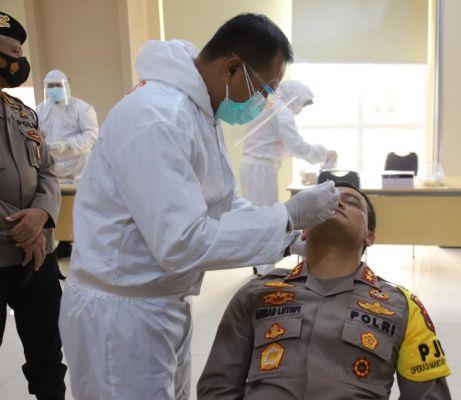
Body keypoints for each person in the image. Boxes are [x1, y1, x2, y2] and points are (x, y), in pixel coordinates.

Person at [59, 13, 340, 400]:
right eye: (265, 90)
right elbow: (181, 242)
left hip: (159, 302)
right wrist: (287, 215)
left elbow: (222, 207)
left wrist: (288, 238)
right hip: (120, 316)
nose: (264, 102)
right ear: (232, 68)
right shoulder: (157, 118)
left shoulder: (199, 113)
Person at [197, 182, 452, 400]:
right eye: (325, 201)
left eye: (351, 202)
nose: (337, 203)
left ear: (370, 236)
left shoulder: (403, 307)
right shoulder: (256, 293)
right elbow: (218, 388)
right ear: (303, 231)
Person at [0, 11, 67, 400]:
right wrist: (22, 229)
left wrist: (41, 214)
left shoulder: (23, 112)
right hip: (11, 247)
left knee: (48, 356)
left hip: (37, 257)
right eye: (12, 51)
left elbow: (48, 171)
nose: (19, 59)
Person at [240, 80, 336, 275]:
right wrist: (325, 153)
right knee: (267, 221)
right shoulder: (281, 111)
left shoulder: (269, 106)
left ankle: (260, 268)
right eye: (302, 104)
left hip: (253, 167)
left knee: (258, 218)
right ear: (295, 97)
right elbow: (296, 147)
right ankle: (265, 273)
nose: (301, 109)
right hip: (261, 169)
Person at [36, 69, 99, 259]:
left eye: (58, 85)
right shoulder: (41, 110)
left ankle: (83, 246)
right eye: (51, 86)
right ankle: (63, 243)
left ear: (66, 85)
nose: (54, 89)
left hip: (78, 167)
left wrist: (68, 145)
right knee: (58, 209)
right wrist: (44, 147)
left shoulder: (82, 108)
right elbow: (36, 134)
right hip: (52, 167)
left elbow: (91, 134)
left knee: (80, 208)